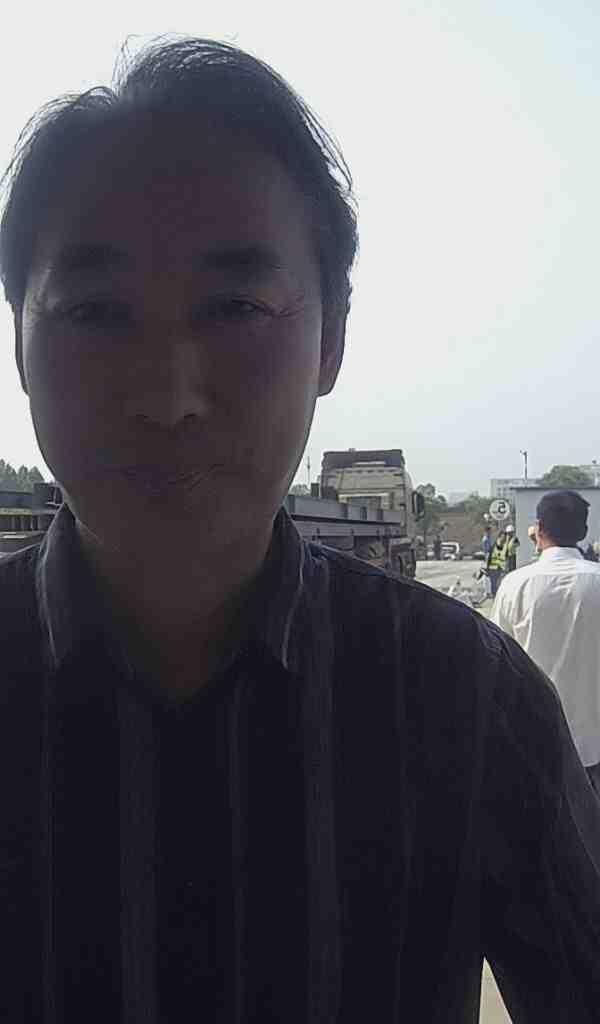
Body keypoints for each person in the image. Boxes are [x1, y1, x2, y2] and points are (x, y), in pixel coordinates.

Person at [0, 38, 599, 1022]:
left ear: (333, 337)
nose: (169, 394)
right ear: (20, 339)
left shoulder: (468, 700)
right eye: (97, 311)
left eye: (235, 306)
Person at [492, 491, 600, 799]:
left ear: (539, 528)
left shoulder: (515, 585)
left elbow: (497, 660)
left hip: (533, 741)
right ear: (583, 531)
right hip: (593, 746)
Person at [486, 529, 506, 597]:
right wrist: (487, 568)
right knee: (494, 584)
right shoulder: (494, 546)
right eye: (503, 537)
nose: (504, 539)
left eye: (505, 537)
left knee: (498, 584)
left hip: (499, 568)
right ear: (499, 537)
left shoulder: (503, 546)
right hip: (493, 568)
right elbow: (489, 558)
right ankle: (494, 596)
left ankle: (496, 596)